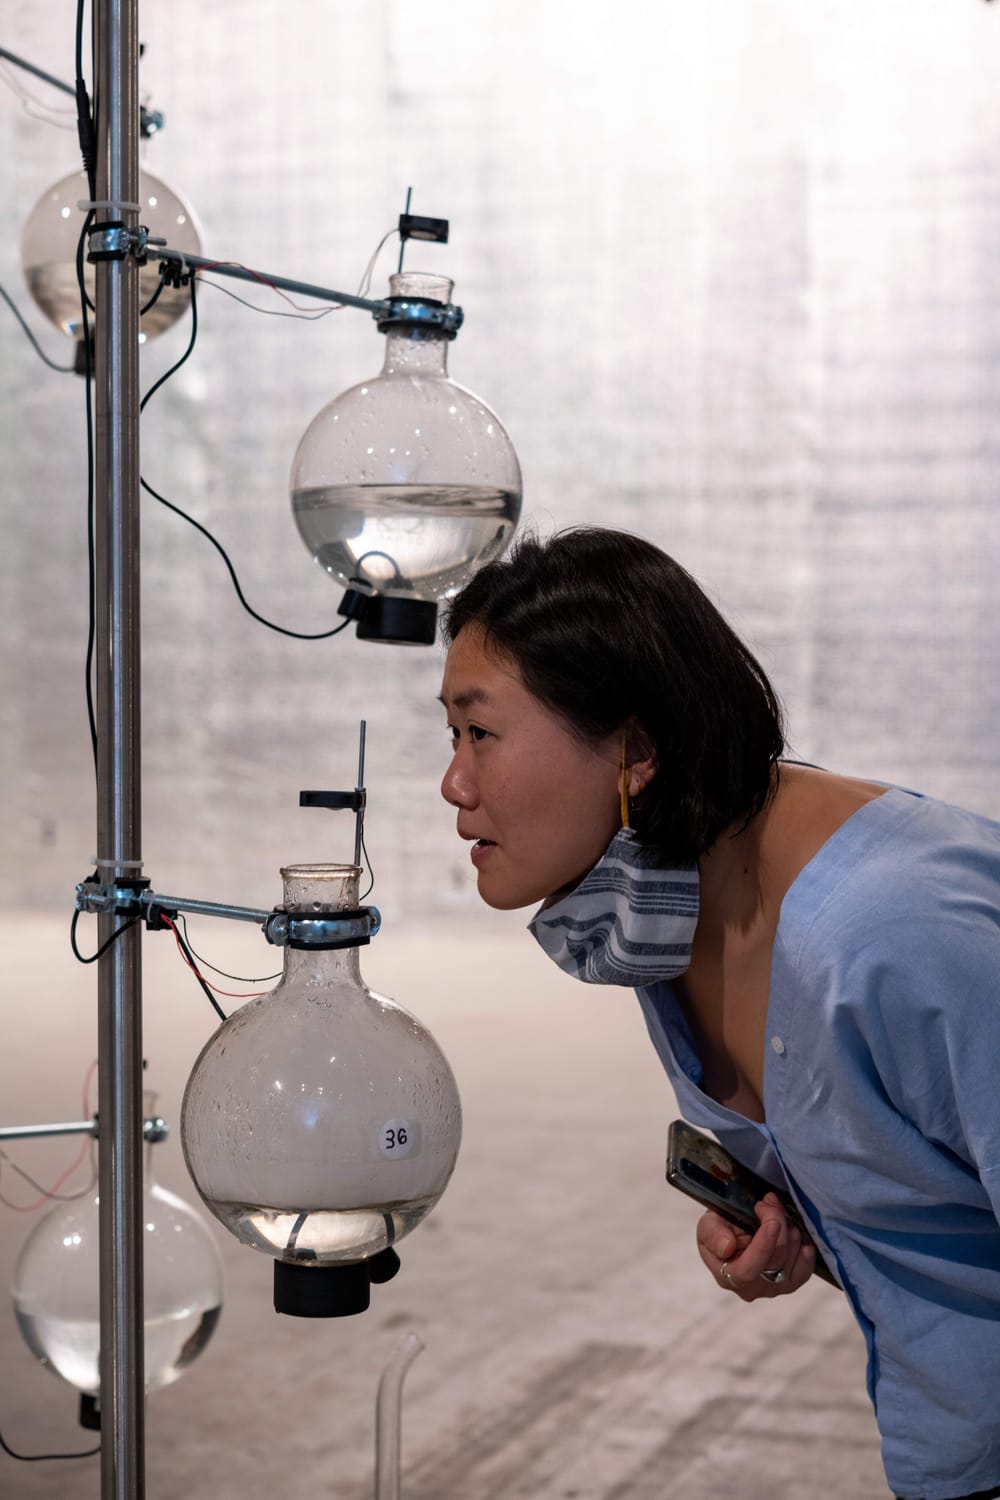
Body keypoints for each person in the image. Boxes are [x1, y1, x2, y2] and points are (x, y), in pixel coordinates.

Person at [437, 525, 1000, 1500]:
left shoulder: (902, 935)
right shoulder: (659, 905)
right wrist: (803, 1229)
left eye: (479, 732)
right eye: (450, 736)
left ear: (636, 748)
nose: (453, 783)